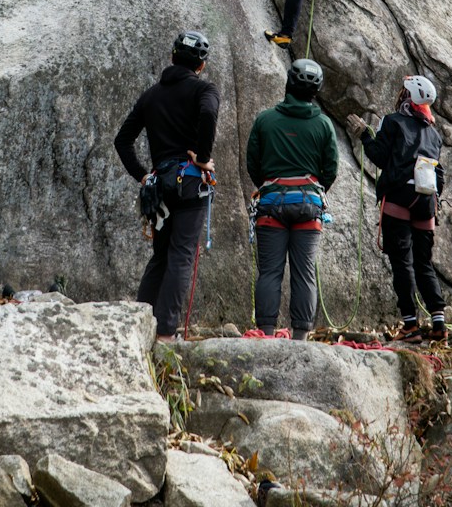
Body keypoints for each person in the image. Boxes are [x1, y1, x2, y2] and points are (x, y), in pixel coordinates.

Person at [115, 30, 220, 342]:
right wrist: (202, 157)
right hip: (190, 183)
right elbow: (209, 113)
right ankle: (164, 334)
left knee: (161, 255)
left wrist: (144, 175)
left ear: (173, 56)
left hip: (160, 185)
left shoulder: (152, 95)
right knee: (182, 254)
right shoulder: (205, 90)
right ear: (200, 65)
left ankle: (139, 323)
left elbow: (122, 141)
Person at [245, 58, 340, 340]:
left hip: (271, 204)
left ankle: (266, 331)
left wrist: (270, 184)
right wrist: (311, 189)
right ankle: (300, 336)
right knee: (304, 272)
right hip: (308, 205)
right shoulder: (324, 125)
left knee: (270, 272)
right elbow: (330, 170)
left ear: (288, 83)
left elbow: (253, 164)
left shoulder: (265, 119)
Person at [349, 75, 448, 342]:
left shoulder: (392, 122)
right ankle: (439, 323)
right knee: (423, 262)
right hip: (426, 200)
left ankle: (411, 325)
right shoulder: (434, 133)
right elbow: (440, 174)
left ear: (407, 97)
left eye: (402, 91)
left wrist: (365, 136)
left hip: (399, 196)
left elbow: (380, 156)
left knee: (402, 262)